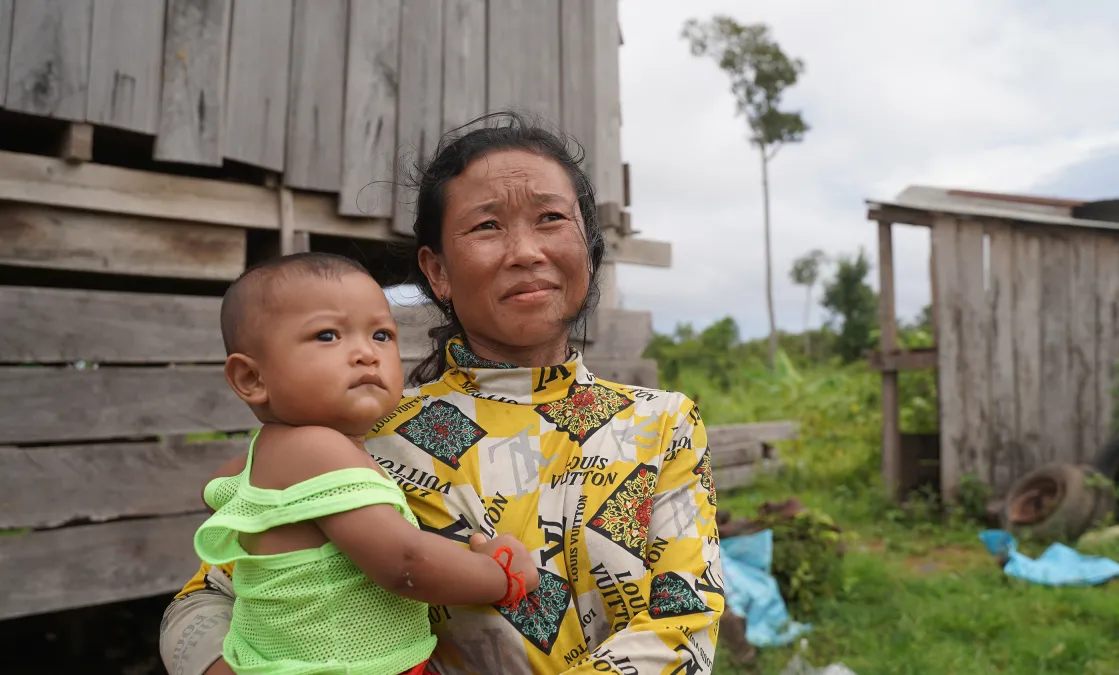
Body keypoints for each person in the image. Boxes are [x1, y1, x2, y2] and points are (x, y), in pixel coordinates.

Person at [160, 112, 724, 675]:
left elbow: (682, 625)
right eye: (487, 227)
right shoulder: (360, 432)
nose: (526, 251)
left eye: (551, 218)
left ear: (590, 248)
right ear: (437, 271)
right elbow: (203, 598)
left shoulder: (659, 425)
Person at [193, 252, 537, 674]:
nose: (366, 354)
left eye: (381, 335)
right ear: (252, 379)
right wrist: (502, 575)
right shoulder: (317, 448)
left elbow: (216, 492)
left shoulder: (265, 454)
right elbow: (404, 564)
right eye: (326, 336)